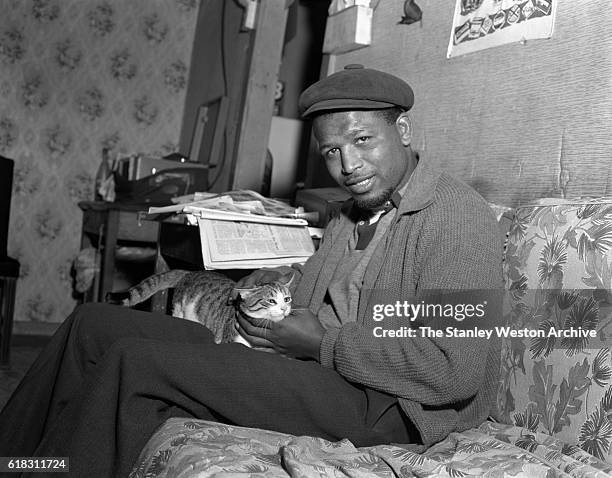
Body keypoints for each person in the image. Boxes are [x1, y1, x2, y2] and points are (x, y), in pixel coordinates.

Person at [0, 65, 502, 477]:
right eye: (332, 151)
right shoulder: (350, 213)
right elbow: (307, 297)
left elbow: (454, 369)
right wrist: (270, 298)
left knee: (136, 361)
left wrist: (322, 345)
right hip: (312, 366)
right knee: (93, 324)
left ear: (404, 131)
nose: (349, 165)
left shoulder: (455, 216)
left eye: (364, 140)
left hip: (387, 404)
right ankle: (15, 460)